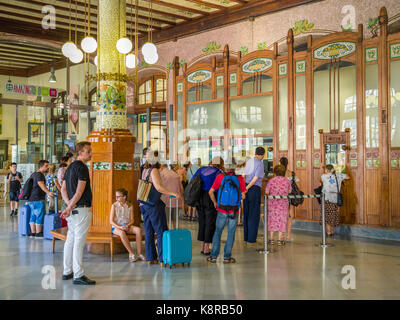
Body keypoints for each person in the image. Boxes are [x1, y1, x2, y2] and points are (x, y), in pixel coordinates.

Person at [61, 141, 95, 285]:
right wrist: (70, 207)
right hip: (80, 210)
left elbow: (63, 189)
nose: (91, 154)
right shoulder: (82, 168)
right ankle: (78, 275)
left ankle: (67, 271)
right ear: (80, 153)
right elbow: (80, 191)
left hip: (73, 210)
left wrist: (68, 205)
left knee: (70, 240)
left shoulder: (69, 168)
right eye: (88, 152)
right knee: (78, 242)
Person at [140, 153, 180, 265]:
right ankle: (163, 258)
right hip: (154, 205)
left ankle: (150, 257)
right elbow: (158, 187)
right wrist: (173, 193)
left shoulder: (145, 170)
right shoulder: (154, 170)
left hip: (144, 204)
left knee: (149, 231)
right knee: (161, 230)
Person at [207, 163, 246, 264]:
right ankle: (227, 257)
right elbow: (243, 196)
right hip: (234, 210)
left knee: (218, 232)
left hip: (222, 209)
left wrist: (215, 202)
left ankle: (213, 256)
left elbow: (210, 191)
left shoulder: (220, 177)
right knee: (231, 233)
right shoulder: (240, 179)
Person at [192, 156, 224, 255]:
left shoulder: (201, 169)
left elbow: (193, 181)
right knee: (210, 223)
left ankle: (202, 246)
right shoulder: (218, 173)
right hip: (211, 197)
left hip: (199, 197)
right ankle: (206, 247)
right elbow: (219, 188)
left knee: (202, 222)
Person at [110, 188, 145, 262]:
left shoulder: (130, 205)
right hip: (116, 227)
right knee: (122, 233)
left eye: (118, 196)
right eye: (116, 196)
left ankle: (139, 254)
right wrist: (119, 227)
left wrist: (127, 225)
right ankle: (131, 254)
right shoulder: (114, 205)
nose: (116, 198)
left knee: (138, 230)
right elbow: (111, 221)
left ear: (124, 197)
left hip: (126, 226)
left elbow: (132, 220)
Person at [243, 147, 266, 246]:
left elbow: (243, 175)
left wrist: (244, 188)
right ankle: (251, 239)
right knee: (253, 215)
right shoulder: (260, 164)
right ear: (263, 155)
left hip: (246, 188)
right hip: (253, 189)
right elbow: (255, 179)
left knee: (246, 213)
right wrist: (247, 188)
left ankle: (246, 237)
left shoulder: (249, 161)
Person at [265, 165, 292, 246]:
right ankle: (280, 240)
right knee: (282, 220)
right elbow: (290, 191)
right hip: (283, 203)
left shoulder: (271, 181)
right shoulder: (287, 181)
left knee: (272, 219)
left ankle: (271, 239)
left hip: (273, 203)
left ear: (275, 172)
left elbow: (266, 192)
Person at [27, 160, 55, 238]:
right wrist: (48, 192)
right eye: (46, 166)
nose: (47, 167)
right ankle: (38, 232)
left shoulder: (33, 174)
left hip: (31, 199)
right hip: (37, 198)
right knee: (39, 215)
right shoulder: (39, 175)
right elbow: (40, 184)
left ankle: (33, 232)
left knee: (33, 216)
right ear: (41, 166)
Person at [320, 164, 349, 236]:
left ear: (326, 170)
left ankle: (329, 231)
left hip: (327, 197)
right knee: (333, 214)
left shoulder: (324, 176)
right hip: (336, 198)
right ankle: (332, 231)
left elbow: (322, 181)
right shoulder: (338, 176)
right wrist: (339, 176)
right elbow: (348, 177)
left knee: (327, 215)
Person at [279, 157, 299, 242]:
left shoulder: (278, 174)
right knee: (290, 217)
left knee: (281, 216)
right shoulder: (292, 173)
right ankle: (288, 236)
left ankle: (281, 236)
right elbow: (298, 185)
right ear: (288, 163)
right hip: (290, 197)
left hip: (280, 197)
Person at [160, 164, 183, 229]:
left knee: (166, 221)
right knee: (175, 220)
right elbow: (181, 188)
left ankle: (167, 237)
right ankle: (175, 236)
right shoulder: (175, 174)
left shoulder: (161, 174)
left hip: (166, 201)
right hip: (176, 200)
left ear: (161, 167)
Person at [235, 159, 246, 226]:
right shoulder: (243, 170)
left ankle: (238, 220)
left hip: (235, 188)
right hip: (241, 188)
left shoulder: (235, 170)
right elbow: (243, 179)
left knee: (238, 205)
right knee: (241, 205)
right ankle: (239, 220)